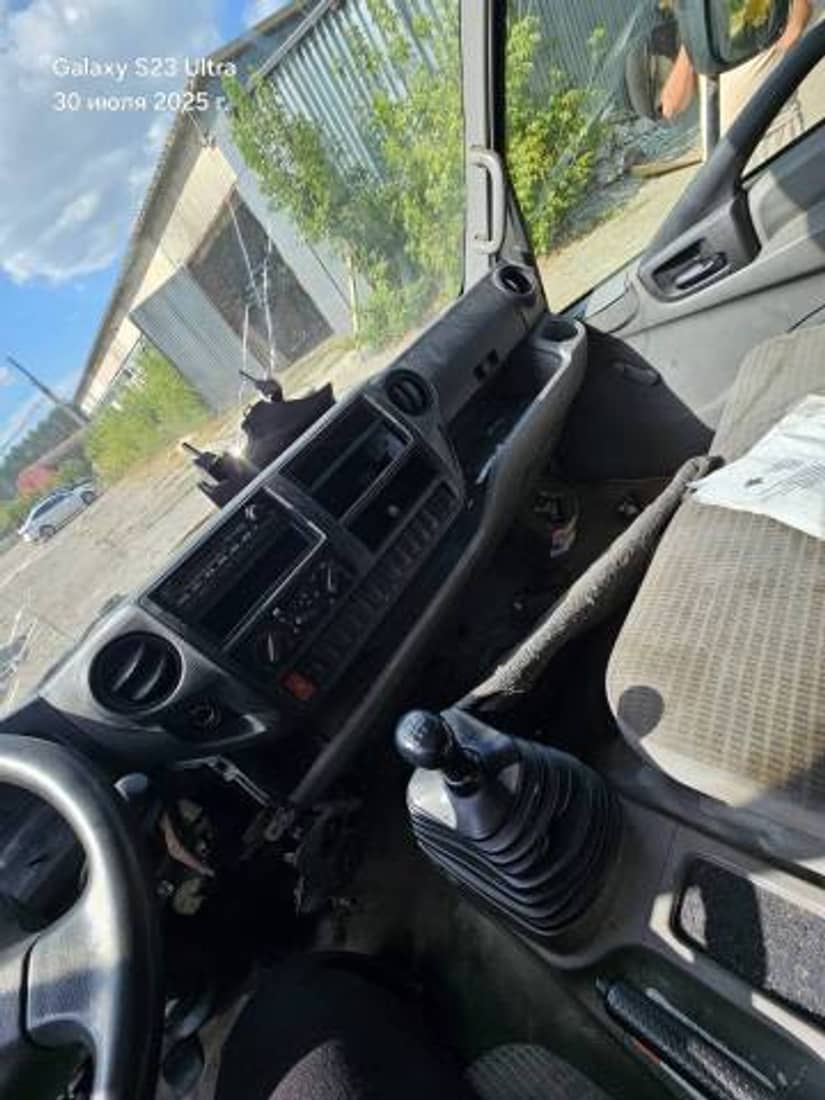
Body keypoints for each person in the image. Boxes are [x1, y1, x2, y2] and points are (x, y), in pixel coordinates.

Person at [660, 0, 812, 164]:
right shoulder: (702, 32)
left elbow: (800, 14)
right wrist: (693, 36)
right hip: (724, 157)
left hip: (774, 136)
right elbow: (672, 105)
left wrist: (792, 30)